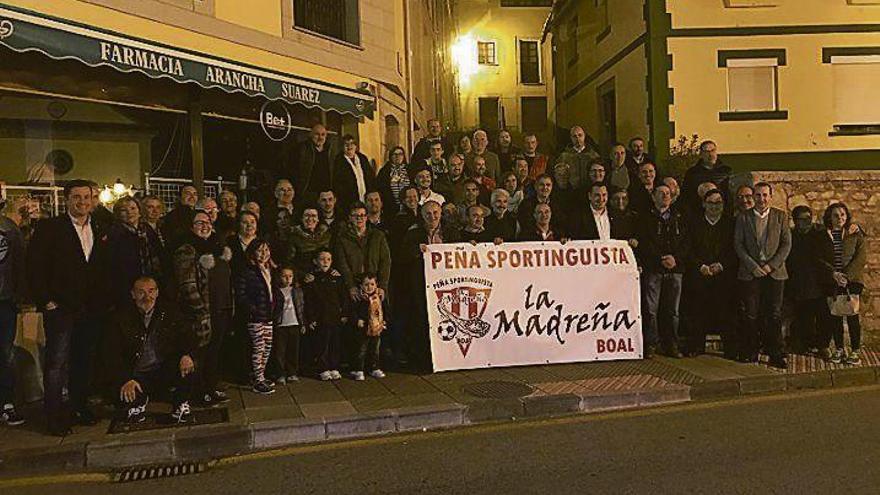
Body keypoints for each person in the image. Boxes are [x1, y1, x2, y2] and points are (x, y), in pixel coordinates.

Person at [28, 180, 107, 435]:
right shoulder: (49, 228)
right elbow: (35, 267)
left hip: (90, 307)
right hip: (60, 307)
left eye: (87, 197)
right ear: (66, 199)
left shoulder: (100, 227)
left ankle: (78, 407)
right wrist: (46, 301)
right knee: (56, 364)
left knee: (83, 361)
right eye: (77, 197)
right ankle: (53, 417)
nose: (83, 202)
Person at [104, 277, 196, 424]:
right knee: (120, 392)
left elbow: (187, 336)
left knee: (187, 366)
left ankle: (180, 403)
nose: (147, 297)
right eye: (141, 292)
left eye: (151, 291)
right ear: (133, 294)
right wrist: (126, 378)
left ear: (157, 292)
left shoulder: (169, 312)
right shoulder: (120, 318)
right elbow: (112, 354)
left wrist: (187, 354)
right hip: (136, 374)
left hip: (161, 369)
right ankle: (136, 403)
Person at [734, 182, 791, 368]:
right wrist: (752, 266)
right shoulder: (743, 218)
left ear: (770, 197)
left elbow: (786, 245)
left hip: (775, 274)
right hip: (751, 274)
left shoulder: (780, 217)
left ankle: (776, 353)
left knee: (774, 314)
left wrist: (771, 266)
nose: (761, 199)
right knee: (751, 314)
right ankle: (750, 351)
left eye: (765, 195)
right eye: (757, 195)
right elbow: (738, 245)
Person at [401, 201, 459, 369]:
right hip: (422, 285)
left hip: (448, 285)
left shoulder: (452, 232)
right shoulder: (413, 234)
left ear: (440, 213)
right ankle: (424, 359)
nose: (432, 217)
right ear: (422, 215)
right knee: (423, 321)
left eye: (435, 213)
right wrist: (415, 250)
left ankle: (450, 357)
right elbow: (402, 257)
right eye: (428, 214)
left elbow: (462, 254)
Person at [638, 184, 688, 359]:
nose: (665, 196)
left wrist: (676, 259)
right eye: (661, 193)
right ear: (653, 197)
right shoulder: (645, 218)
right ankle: (651, 344)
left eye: (668, 193)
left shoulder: (680, 216)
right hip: (654, 268)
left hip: (676, 269)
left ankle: (672, 344)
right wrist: (660, 258)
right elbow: (644, 242)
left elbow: (686, 242)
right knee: (651, 309)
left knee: (672, 311)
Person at [685, 189, 736, 358]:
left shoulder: (731, 224)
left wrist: (722, 265)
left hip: (723, 274)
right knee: (697, 311)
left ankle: (730, 347)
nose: (715, 206)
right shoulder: (694, 224)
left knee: (726, 311)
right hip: (700, 274)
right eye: (711, 202)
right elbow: (688, 248)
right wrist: (700, 266)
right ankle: (695, 346)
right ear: (703, 204)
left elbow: (735, 249)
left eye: (718, 203)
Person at [814, 203, 867, 365]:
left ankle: (855, 350)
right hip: (832, 282)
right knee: (835, 316)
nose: (839, 218)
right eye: (836, 215)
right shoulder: (823, 236)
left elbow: (860, 257)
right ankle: (839, 348)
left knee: (852, 316)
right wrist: (833, 274)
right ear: (830, 217)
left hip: (851, 282)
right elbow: (819, 258)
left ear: (847, 216)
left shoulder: (854, 234)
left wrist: (847, 276)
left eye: (842, 215)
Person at [234, 239, 281, 395]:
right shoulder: (247, 270)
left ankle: (260, 375)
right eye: (260, 250)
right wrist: (253, 310)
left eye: (266, 250)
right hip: (255, 317)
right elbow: (241, 294)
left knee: (267, 346)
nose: (264, 254)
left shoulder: (269, 269)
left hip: (268, 315)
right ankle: (258, 380)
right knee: (258, 347)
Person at [106, 196, 164, 308]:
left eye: (133, 208)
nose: (129, 212)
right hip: (126, 286)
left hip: (152, 281)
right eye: (124, 210)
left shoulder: (147, 230)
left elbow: (160, 254)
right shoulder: (114, 234)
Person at [304, 250, 349, 381]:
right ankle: (323, 368)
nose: (325, 262)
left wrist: (344, 313)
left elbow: (343, 297)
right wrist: (311, 318)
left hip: (335, 316)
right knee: (322, 343)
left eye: (328, 259)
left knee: (335, 342)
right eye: (322, 259)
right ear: (315, 261)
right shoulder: (312, 278)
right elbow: (309, 301)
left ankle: (334, 366)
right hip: (320, 317)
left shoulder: (336, 277)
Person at [334, 202, 392, 302]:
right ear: (350, 218)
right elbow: (343, 264)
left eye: (362, 215)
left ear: (366, 217)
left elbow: (385, 261)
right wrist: (351, 286)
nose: (359, 218)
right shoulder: (342, 238)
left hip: (375, 286)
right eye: (355, 216)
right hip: (355, 286)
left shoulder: (378, 236)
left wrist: (382, 286)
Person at [786, 205, 824, 355]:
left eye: (808, 218)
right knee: (799, 316)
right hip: (796, 281)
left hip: (815, 282)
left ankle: (815, 344)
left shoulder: (818, 234)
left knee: (815, 316)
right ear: (795, 221)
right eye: (802, 219)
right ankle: (799, 344)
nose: (806, 222)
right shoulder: (791, 235)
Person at [0, 200, 25, 426]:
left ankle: (7, 403)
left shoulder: (9, 227)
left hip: (4, 300)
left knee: (5, 354)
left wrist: (20, 294)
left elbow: (20, 262)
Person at [350, 273, 389, 381]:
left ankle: (374, 367)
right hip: (363, 329)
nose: (369, 287)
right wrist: (357, 320)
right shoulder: (359, 298)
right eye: (366, 284)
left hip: (376, 328)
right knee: (361, 350)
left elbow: (385, 310)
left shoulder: (379, 298)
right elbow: (352, 311)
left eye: (372, 284)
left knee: (375, 349)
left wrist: (385, 321)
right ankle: (359, 369)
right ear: (361, 286)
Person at [682, 140, 732, 218]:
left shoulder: (726, 171)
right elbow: (686, 196)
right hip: (699, 215)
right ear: (701, 154)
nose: (710, 154)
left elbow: (729, 195)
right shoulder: (692, 173)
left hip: (722, 215)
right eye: (706, 151)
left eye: (712, 150)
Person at [273, 266, 305, 384]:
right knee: (280, 351)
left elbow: (301, 307)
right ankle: (280, 373)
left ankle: (292, 372)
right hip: (281, 325)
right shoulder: (276, 291)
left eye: (290, 276)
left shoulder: (296, 290)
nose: (287, 279)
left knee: (293, 350)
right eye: (284, 276)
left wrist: (302, 323)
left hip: (294, 323)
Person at [293, 123, 336, 207]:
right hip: (309, 193)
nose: (320, 137)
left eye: (323, 134)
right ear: (311, 135)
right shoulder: (302, 149)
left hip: (326, 194)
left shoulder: (330, 150)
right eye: (317, 134)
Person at [333, 135, 374, 212]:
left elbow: (370, 177)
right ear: (342, 147)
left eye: (352, 143)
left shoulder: (362, 158)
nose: (349, 146)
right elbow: (338, 184)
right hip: (349, 201)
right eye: (346, 144)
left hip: (366, 199)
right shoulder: (339, 162)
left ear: (355, 146)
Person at [286, 207, 332, 275]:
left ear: (318, 219)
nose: (310, 219)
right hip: (305, 277)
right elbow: (289, 263)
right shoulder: (294, 238)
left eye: (313, 216)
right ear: (301, 218)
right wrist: (303, 275)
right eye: (307, 215)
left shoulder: (326, 236)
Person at [375, 146, 412, 219]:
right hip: (391, 206)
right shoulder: (385, 171)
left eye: (400, 154)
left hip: (408, 205)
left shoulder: (410, 169)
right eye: (395, 154)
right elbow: (380, 188)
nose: (398, 157)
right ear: (391, 156)